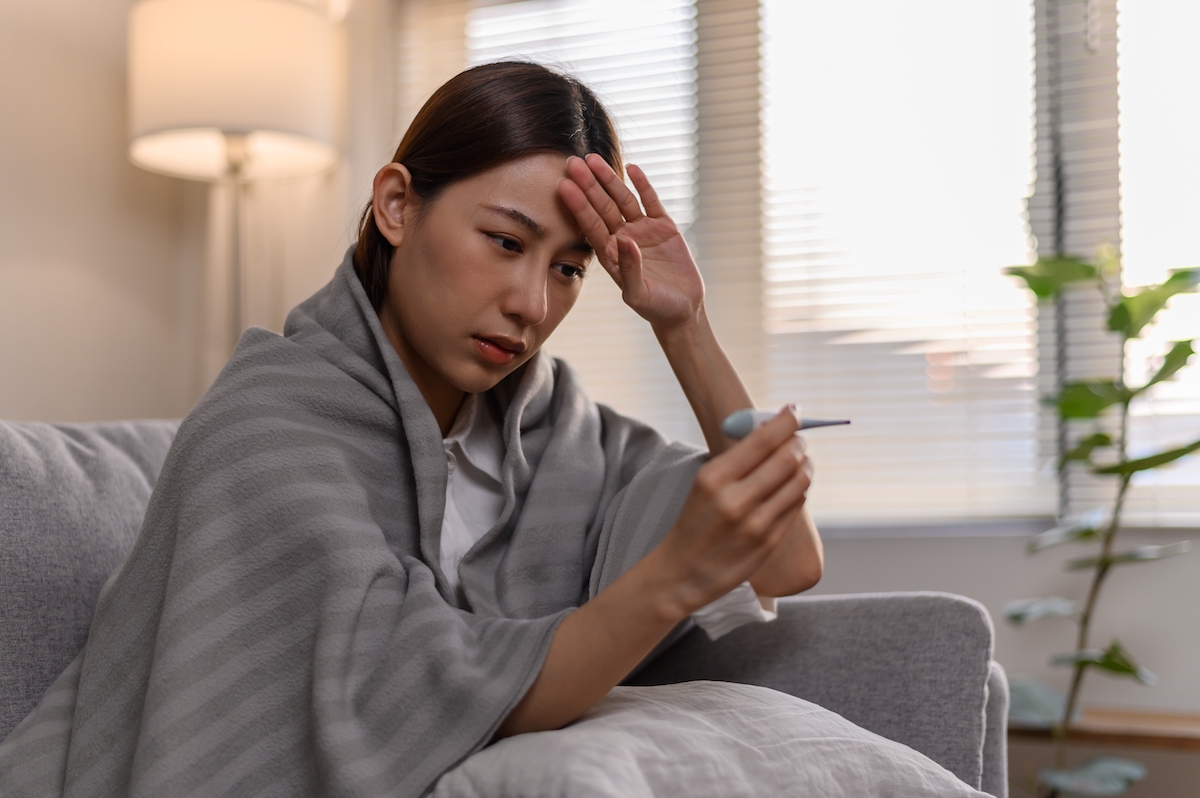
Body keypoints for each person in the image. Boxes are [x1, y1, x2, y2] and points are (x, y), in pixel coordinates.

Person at [0, 61, 821, 797]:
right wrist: (672, 575)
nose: (532, 304)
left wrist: (686, 326)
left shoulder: (557, 435)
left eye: (569, 269)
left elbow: (789, 559)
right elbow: (422, 695)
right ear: (397, 206)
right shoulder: (265, 426)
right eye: (505, 241)